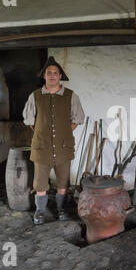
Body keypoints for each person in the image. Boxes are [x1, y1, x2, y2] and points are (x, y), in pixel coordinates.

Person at [23, 56, 85, 225]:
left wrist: (64, 132)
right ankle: (40, 212)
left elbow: (78, 119)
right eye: (48, 73)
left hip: (64, 147)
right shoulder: (35, 96)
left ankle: (62, 209)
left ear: (60, 76)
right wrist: (43, 133)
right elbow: (30, 121)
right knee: (40, 183)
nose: (52, 75)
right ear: (44, 76)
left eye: (55, 73)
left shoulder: (70, 96)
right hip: (41, 147)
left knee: (63, 181)